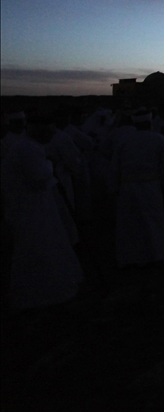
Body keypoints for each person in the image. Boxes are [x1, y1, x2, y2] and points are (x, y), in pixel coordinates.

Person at [1, 113, 85, 310]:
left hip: (36, 206)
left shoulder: (28, 146)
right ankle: (42, 294)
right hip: (31, 210)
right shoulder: (27, 148)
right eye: (49, 131)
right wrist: (50, 163)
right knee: (39, 247)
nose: (52, 135)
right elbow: (39, 177)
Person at [111, 110, 164, 267]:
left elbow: (115, 166)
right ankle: (154, 255)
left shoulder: (124, 140)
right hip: (150, 189)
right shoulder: (158, 139)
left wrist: (113, 186)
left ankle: (130, 257)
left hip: (128, 190)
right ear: (149, 123)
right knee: (152, 223)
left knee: (130, 224)